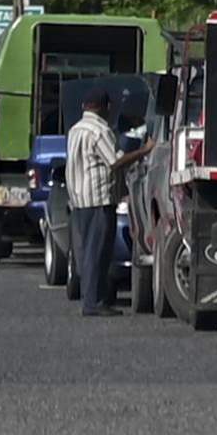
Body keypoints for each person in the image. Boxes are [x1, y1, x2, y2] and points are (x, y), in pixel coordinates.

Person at [64, 90, 127, 316]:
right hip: (98, 199)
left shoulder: (75, 130)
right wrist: (143, 151)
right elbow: (115, 161)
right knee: (97, 252)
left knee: (87, 251)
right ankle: (93, 302)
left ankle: (92, 298)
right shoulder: (100, 131)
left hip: (79, 199)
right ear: (105, 107)